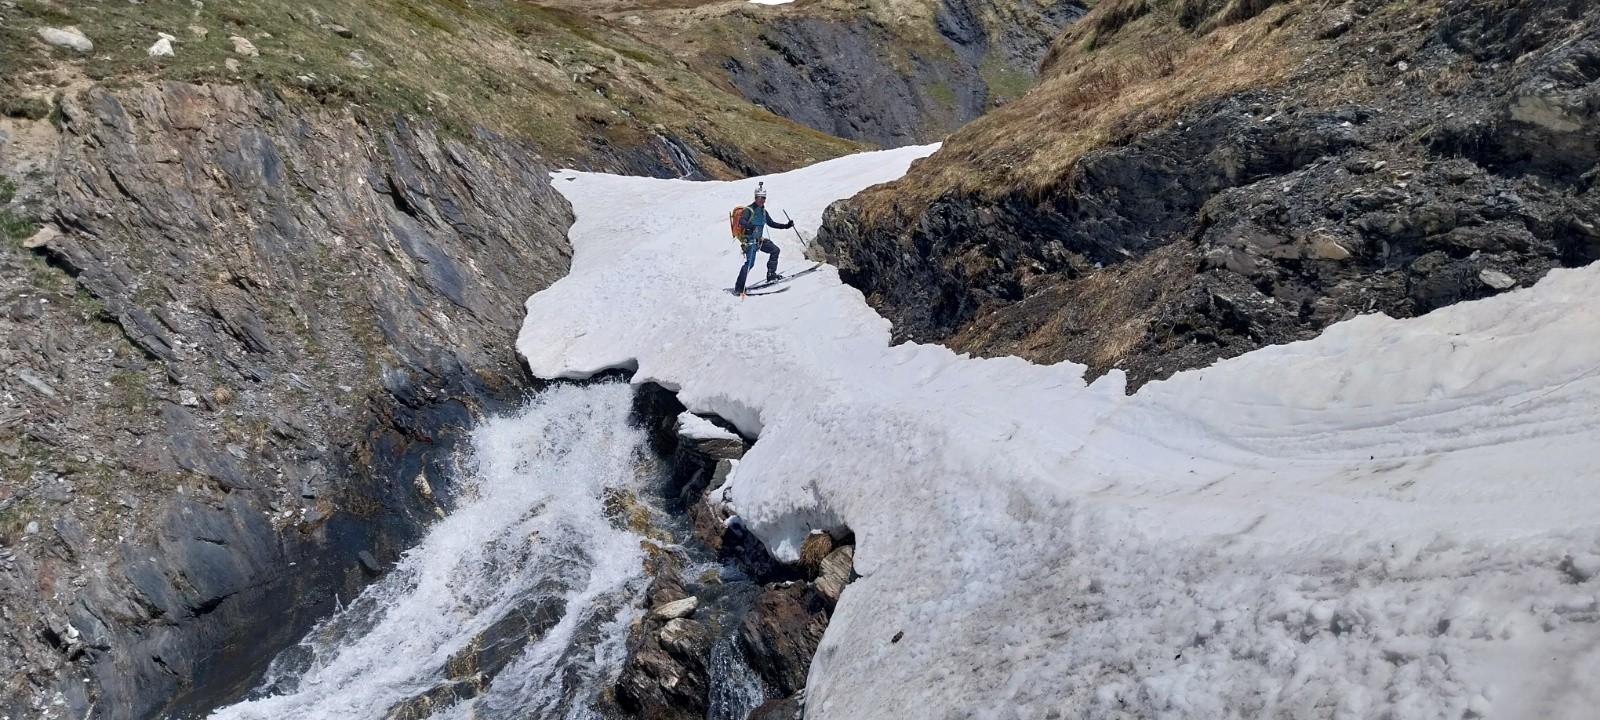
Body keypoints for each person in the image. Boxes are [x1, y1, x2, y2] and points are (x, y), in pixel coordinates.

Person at [733, 182, 794, 295]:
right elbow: (742, 221)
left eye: (763, 198)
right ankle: (739, 287)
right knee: (750, 264)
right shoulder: (749, 210)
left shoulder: (763, 212)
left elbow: (771, 223)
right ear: (755, 197)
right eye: (759, 197)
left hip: (759, 240)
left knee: (775, 250)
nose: (761, 200)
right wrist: (750, 227)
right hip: (749, 241)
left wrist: (786, 226)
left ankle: (771, 274)